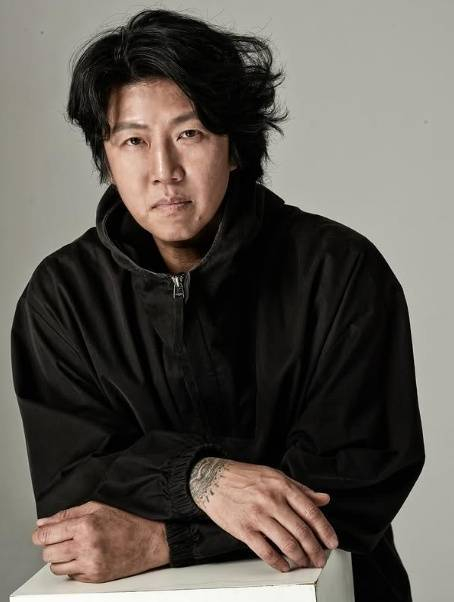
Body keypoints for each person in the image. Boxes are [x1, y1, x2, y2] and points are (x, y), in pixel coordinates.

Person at [10, 8, 425, 601]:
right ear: (106, 157)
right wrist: (201, 478)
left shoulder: (339, 270)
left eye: (190, 134)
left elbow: (354, 479)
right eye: (134, 140)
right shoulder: (60, 297)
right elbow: (74, 494)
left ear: (234, 147)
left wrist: (163, 540)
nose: (164, 172)